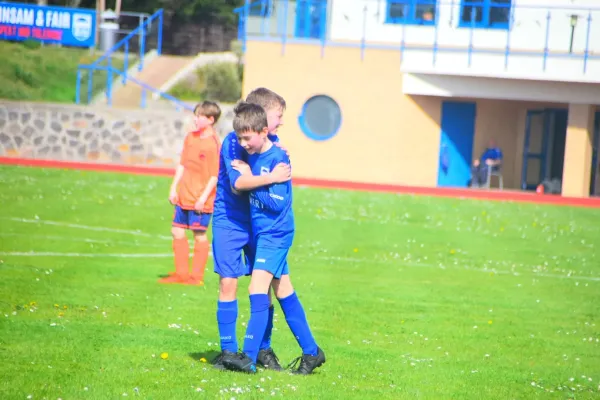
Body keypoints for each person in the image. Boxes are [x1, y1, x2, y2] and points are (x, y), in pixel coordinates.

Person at [221, 101, 325, 375]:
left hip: (276, 234)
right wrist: (250, 175)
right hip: (264, 233)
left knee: (257, 291)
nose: (243, 143)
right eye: (240, 138)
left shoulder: (277, 158)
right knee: (283, 291)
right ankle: (312, 352)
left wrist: (252, 180)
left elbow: (277, 203)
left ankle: (249, 358)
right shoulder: (253, 155)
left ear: (263, 131)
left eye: (247, 137)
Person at [212, 88, 291, 371]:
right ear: (261, 114)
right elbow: (237, 184)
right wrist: (268, 176)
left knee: (265, 285)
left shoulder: (272, 142)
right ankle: (229, 352)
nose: (280, 122)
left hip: (260, 223)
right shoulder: (234, 143)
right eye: (278, 116)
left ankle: (261, 349)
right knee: (228, 281)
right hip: (230, 220)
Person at [159, 101, 221, 286]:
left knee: (199, 235)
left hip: (200, 200)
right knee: (176, 231)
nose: (195, 119)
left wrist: (203, 198)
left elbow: (214, 175)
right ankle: (181, 274)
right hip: (184, 196)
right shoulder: (190, 138)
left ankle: (196, 278)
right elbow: (183, 164)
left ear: (210, 119)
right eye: (195, 115)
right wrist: (173, 188)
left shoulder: (213, 144)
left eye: (199, 116)